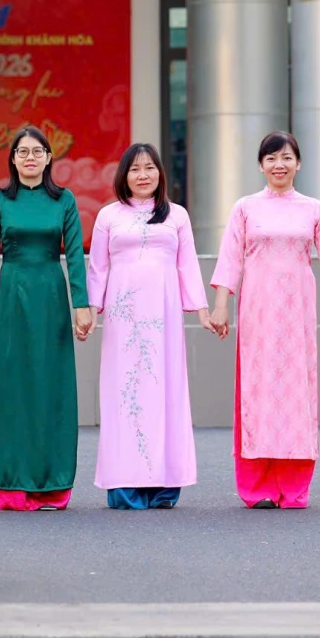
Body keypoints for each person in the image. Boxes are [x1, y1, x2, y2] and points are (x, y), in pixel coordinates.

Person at [208, 131, 320, 510]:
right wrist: (221, 305)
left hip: (297, 317)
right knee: (257, 393)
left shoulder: (313, 209)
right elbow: (230, 259)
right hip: (257, 314)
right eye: (271, 158)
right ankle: (257, 486)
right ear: (261, 165)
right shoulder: (245, 208)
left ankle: (293, 487)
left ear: (298, 164)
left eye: (287, 157)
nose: (279, 165)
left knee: (296, 394)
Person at [0, 125, 91, 511]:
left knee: (53, 386)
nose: (30, 157)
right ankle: (13, 485)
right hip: (13, 298)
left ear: (49, 158)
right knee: (13, 387)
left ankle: (53, 486)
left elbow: (75, 255)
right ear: (13, 159)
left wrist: (81, 304)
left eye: (37, 151)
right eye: (23, 152)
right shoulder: (0, 200)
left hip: (51, 296)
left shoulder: (64, 200)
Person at [89, 143, 216, 510]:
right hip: (123, 318)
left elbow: (187, 264)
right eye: (135, 169)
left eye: (149, 168)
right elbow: (97, 267)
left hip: (165, 316)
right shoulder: (108, 216)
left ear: (160, 173)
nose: (143, 175)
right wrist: (90, 311)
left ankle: (164, 485)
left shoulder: (177, 215)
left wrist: (202, 310)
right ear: (123, 175)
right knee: (124, 392)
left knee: (165, 391)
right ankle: (125, 485)